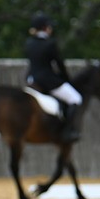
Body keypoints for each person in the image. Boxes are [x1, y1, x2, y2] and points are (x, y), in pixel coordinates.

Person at [24, 13, 82, 141]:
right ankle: (68, 131)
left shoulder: (29, 43)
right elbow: (59, 64)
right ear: (45, 28)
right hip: (48, 81)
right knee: (76, 99)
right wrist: (67, 79)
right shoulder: (50, 44)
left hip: (31, 80)